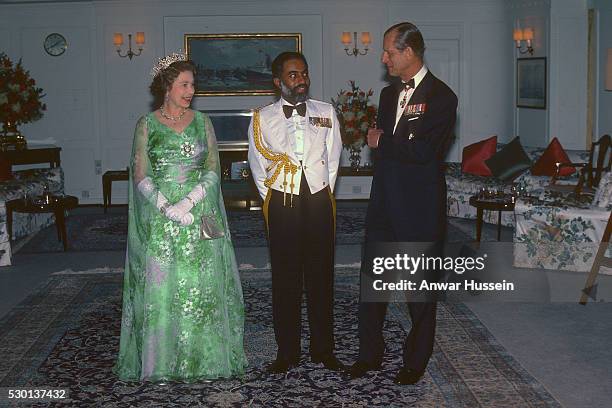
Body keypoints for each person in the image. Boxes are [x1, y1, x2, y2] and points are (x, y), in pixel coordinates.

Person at [114, 53, 247, 382]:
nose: (190, 91)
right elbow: (140, 175)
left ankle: (206, 362)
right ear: (166, 86)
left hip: (199, 216)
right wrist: (165, 207)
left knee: (201, 290)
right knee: (164, 291)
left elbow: (214, 170)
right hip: (161, 221)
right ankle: (163, 363)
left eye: (193, 85)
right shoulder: (146, 125)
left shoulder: (203, 122)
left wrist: (188, 202)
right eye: (184, 84)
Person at [349, 22, 458, 385]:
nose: (384, 59)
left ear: (409, 52)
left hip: (418, 208)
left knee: (419, 292)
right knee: (373, 285)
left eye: (389, 52)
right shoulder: (387, 95)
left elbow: (427, 152)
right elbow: (388, 155)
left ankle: (415, 362)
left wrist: (383, 141)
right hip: (383, 204)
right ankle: (369, 355)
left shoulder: (443, 97)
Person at [248, 52, 343, 374]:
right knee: (286, 280)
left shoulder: (326, 111)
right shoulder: (262, 117)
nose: (300, 80)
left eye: (303, 73)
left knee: (321, 277)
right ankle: (287, 353)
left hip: (318, 199)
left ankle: (323, 349)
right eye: (292, 75)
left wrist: (319, 190)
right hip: (282, 201)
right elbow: (258, 166)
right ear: (278, 81)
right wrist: (275, 197)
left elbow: (333, 158)